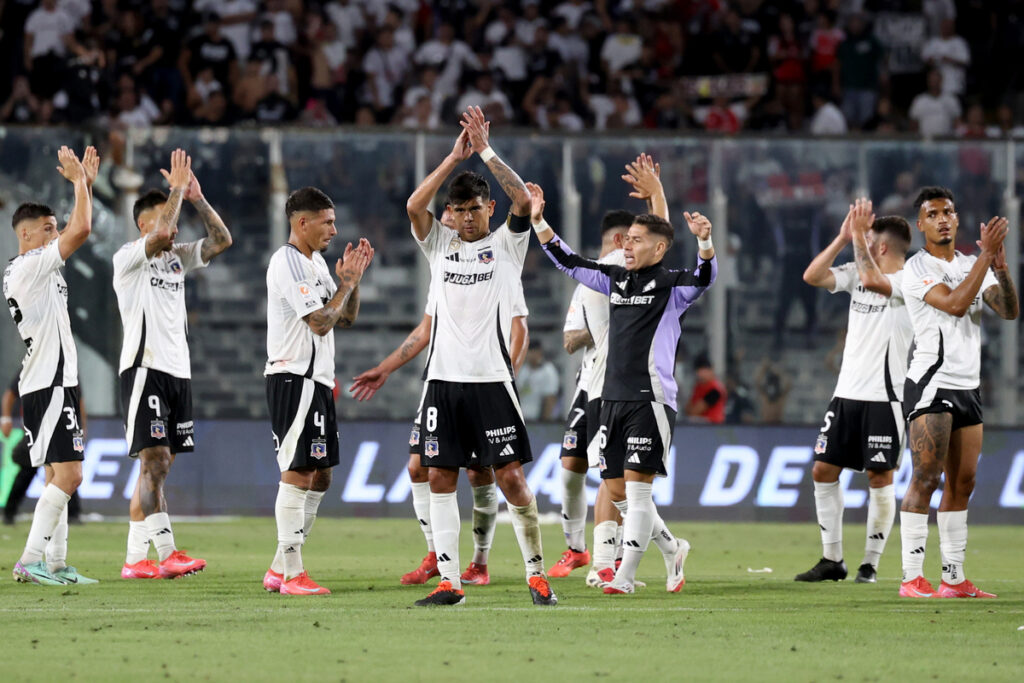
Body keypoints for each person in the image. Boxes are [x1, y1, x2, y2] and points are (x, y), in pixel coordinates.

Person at [532, 177, 717, 596]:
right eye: (626, 240)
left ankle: (625, 576)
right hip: (609, 398)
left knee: (636, 489)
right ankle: (671, 549)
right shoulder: (615, 279)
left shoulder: (673, 286)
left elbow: (705, 277)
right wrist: (540, 222)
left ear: (659, 248)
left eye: (635, 241)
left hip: (649, 398)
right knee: (616, 489)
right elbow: (569, 262)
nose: (627, 246)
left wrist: (706, 243)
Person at [406, 107, 555, 607]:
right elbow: (413, 205)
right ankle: (450, 582)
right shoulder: (440, 245)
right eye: (460, 210)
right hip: (442, 383)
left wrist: (486, 149)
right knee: (441, 476)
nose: (467, 218)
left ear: (488, 210)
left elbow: (523, 198)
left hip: (492, 382)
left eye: (475, 209)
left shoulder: (508, 245)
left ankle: (536, 575)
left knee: (511, 477)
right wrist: (453, 157)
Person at [349, 209, 530, 588]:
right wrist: (386, 367)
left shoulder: (499, 261)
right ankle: (436, 554)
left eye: (459, 214)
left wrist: (503, 374)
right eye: (448, 215)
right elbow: (426, 329)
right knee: (419, 467)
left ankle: (479, 561)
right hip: (441, 382)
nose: (452, 221)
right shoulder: (443, 266)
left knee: (481, 472)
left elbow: (519, 327)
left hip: (485, 382)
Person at [113, 149, 233, 580]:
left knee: (155, 470)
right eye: (168, 213)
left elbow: (222, 242)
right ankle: (167, 553)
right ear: (145, 223)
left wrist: (196, 198)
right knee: (156, 461)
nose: (175, 220)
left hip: (178, 374)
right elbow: (163, 232)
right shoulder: (127, 257)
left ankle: (133, 560)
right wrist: (176, 190)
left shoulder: (177, 257)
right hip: (145, 370)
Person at [899, 187, 1018, 598]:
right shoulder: (917, 268)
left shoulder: (973, 263)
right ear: (921, 225)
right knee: (927, 476)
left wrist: (999, 267)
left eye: (949, 211)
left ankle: (953, 579)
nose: (943, 218)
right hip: (932, 383)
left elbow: (1008, 310)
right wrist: (986, 259)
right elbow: (951, 304)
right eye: (933, 214)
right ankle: (912, 577)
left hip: (968, 385)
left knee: (962, 483)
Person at [263, 187, 374, 596]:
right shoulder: (287, 263)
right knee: (298, 471)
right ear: (301, 222)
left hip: (319, 381)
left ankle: (279, 566)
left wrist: (353, 283)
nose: (334, 228)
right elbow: (320, 322)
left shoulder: (317, 264)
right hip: (293, 377)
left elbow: (345, 319)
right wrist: (344, 285)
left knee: (322, 475)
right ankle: (292, 573)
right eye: (327, 221)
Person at [798, 199, 913, 584]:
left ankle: (870, 564)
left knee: (880, 477)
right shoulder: (857, 271)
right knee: (822, 470)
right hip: (846, 394)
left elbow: (868, 280)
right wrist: (843, 236)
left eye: (867, 241)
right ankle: (833, 559)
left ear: (881, 247)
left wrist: (859, 239)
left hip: (886, 398)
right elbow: (812, 276)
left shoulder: (908, 282)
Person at [4, 145, 98, 585]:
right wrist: (79, 184)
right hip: (49, 381)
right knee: (72, 474)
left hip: (52, 380)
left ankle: (56, 563)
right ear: (26, 235)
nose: (54, 235)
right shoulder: (29, 266)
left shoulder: (36, 269)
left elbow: (78, 225)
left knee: (57, 474)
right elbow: (82, 229)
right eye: (47, 229)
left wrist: (88, 188)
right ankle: (30, 558)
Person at [551, 208, 632, 581]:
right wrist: (603, 324)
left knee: (613, 474)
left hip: (621, 388)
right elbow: (569, 340)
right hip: (588, 387)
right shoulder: (588, 282)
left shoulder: (638, 281)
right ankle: (577, 549)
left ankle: (614, 554)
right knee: (570, 468)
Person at [2, 377, 84, 525]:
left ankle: (73, 513)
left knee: (68, 472)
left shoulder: (71, 368)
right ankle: (9, 512)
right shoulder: (37, 361)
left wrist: (80, 427)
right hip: (38, 428)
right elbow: (11, 393)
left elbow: (79, 401)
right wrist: (6, 419)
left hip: (64, 429)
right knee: (27, 472)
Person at [517, 340, 559, 421]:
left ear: (539, 352)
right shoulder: (522, 370)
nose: (530, 355)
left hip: (537, 419)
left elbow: (550, 398)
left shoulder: (548, 371)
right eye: (528, 352)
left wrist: (545, 422)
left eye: (532, 352)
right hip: (521, 418)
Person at [684, 353, 727, 424]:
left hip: (713, 427)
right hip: (699, 426)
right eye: (699, 370)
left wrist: (691, 410)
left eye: (704, 370)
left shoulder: (715, 389)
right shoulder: (698, 386)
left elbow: (694, 411)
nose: (700, 374)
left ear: (711, 370)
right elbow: (687, 409)